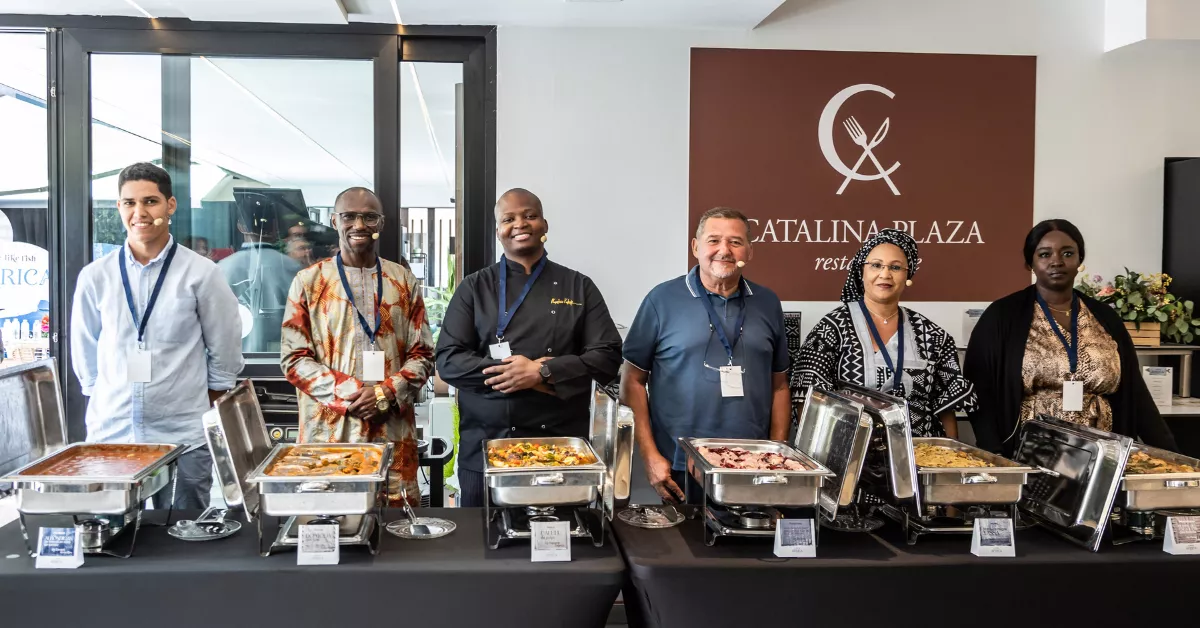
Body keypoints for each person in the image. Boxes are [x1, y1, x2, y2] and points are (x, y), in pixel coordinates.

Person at [70, 162, 244, 509]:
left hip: (181, 435)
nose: (139, 213)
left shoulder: (201, 273)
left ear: (171, 205)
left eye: (150, 201)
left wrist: (194, 405)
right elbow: (85, 350)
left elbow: (225, 350)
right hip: (112, 434)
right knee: (115, 536)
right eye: (129, 203)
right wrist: (108, 397)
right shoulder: (96, 276)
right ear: (119, 207)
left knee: (183, 537)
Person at [435, 188, 622, 507]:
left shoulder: (578, 286)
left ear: (544, 225)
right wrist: (513, 376)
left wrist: (542, 372)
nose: (520, 224)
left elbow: (607, 356)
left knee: (558, 541)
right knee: (483, 545)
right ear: (498, 231)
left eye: (530, 215)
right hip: (486, 446)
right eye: (508, 219)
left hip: (560, 448)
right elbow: (449, 360)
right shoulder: (474, 288)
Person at [964, 219, 1177, 456]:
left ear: (1079, 261)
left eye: (1067, 253)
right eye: (1045, 254)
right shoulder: (1002, 316)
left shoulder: (1105, 317)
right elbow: (978, 391)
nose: (1057, 261)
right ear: (1030, 263)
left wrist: (1171, 456)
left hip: (1102, 455)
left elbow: (1135, 393)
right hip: (1027, 455)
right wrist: (994, 453)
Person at [621, 207, 790, 504]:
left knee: (749, 549)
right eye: (713, 240)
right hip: (678, 465)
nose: (724, 250)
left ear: (749, 252)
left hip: (752, 466)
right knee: (685, 549)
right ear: (696, 247)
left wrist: (776, 455)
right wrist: (649, 455)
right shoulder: (661, 300)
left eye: (735, 242)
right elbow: (632, 380)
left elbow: (779, 385)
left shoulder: (768, 302)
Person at [281, 187, 434, 506]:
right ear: (335, 221)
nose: (359, 225)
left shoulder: (402, 280)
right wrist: (352, 394)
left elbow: (423, 353)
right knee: (331, 520)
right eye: (349, 216)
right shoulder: (309, 282)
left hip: (391, 427)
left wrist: (384, 393)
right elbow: (294, 360)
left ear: (381, 223)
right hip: (331, 431)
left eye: (369, 217)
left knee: (395, 527)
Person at [796, 229, 977, 440]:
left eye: (896, 267)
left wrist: (947, 460)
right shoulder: (831, 329)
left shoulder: (933, 335)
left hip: (918, 458)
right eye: (876, 265)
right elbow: (807, 401)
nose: (885, 274)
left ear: (907, 275)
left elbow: (946, 409)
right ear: (860, 271)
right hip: (849, 459)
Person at [219, 192, 304, 353]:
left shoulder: (223, 268)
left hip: (238, 355)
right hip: (282, 356)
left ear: (240, 227)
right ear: (274, 227)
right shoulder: (292, 267)